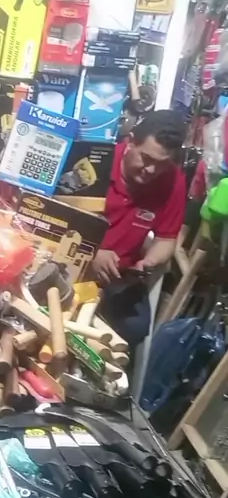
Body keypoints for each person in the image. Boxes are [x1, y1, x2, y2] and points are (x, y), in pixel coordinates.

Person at [91, 110, 187, 347]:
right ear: (130, 141)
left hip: (121, 278)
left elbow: (166, 239)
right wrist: (93, 252)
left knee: (136, 328)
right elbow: (58, 220)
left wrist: (149, 262)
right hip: (75, 265)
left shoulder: (173, 181)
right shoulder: (96, 161)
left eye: (162, 164)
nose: (152, 170)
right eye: (146, 158)